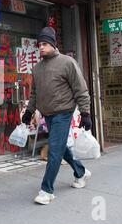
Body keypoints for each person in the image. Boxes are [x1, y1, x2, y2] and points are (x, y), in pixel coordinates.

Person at [22, 26, 92, 205]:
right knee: (60, 147)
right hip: (48, 114)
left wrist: (85, 113)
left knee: (54, 150)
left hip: (63, 112)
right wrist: (29, 111)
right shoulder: (37, 68)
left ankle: (46, 190)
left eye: (45, 44)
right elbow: (34, 94)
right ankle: (81, 172)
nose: (41, 47)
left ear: (53, 44)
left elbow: (81, 89)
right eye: (39, 45)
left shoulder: (67, 62)